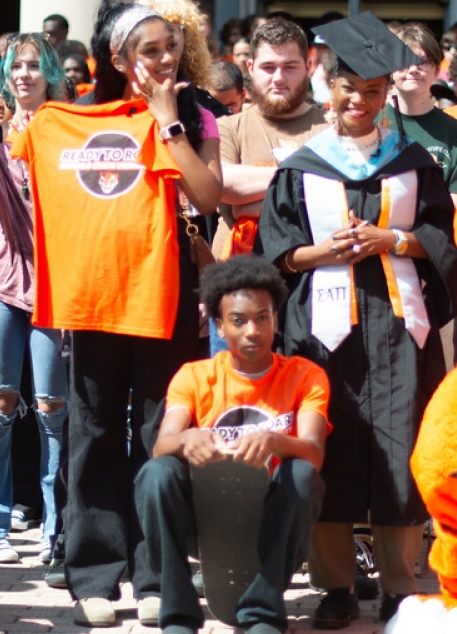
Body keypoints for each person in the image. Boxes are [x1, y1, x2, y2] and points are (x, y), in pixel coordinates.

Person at [254, 12, 457, 628]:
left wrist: (389, 239)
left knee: (402, 448)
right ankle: (337, 586)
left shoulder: (414, 162)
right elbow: (276, 251)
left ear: (385, 93)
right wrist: (326, 251)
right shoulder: (302, 165)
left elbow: (445, 241)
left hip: (399, 328)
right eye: (350, 88)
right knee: (330, 446)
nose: (360, 101)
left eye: (373, 91)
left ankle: (400, 584)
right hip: (322, 333)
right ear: (329, 85)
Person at [15, 1, 221, 627]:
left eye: (171, 46)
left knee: (162, 433)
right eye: (150, 50)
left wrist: (168, 123)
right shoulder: (73, 119)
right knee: (94, 431)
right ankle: (93, 575)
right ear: (119, 58)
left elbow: (207, 196)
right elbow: (26, 155)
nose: (165, 59)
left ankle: (157, 573)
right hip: (96, 297)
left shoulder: (196, 114)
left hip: (168, 295)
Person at [136, 256, 329, 634]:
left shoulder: (306, 375)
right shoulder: (194, 375)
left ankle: (263, 613)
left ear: (276, 320)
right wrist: (186, 439)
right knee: (156, 473)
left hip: (273, 519)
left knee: (302, 474)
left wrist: (274, 440)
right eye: (238, 320)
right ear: (220, 326)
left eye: (262, 318)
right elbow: (162, 446)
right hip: (206, 518)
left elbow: (314, 453)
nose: (252, 331)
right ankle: (177, 615)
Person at [0, 32, 70, 567]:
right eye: (16, 65)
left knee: (53, 407)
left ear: (50, 72)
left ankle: (57, 526)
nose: (24, 74)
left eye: (34, 65)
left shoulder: (69, 127)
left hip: (56, 278)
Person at [214, 18, 327, 263]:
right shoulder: (227, 127)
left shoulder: (331, 129)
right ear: (250, 67)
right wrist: (311, 179)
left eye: (290, 67)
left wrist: (247, 206)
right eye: (268, 67)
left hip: (312, 273)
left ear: (308, 66)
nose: (278, 78)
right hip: (236, 272)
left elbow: (338, 198)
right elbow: (226, 184)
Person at [390, 23, 457, 195]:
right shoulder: (370, 124)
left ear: (437, 70)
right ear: (391, 69)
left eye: (422, 62)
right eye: (405, 61)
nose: (413, 69)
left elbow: (455, 200)